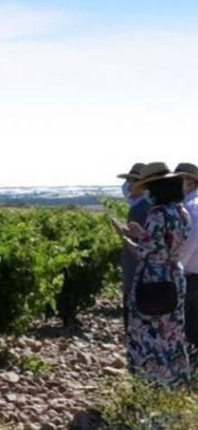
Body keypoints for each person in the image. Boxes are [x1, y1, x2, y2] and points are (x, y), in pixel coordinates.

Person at [114, 162, 191, 387]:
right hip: (175, 273)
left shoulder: (158, 213)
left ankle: (152, 384)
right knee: (172, 332)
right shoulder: (181, 211)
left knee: (148, 335)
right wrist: (143, 235)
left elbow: (146, 253)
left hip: (153, 279)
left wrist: (127, 239)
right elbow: (167, 244)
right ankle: (176, 382)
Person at [115, 163, 150, 330]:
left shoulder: (140, 209)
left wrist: (123, 234)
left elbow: (141, 245)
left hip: (136, 273)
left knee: (133, 322)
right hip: (140, 274)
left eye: (132, 180)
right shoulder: (142, 206)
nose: (128, 184)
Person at [175, 162, 198, 362]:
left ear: (190, 182)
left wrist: (177, 265)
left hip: (191, 276)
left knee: (189, 328)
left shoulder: (191, 206)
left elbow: (191, 239)